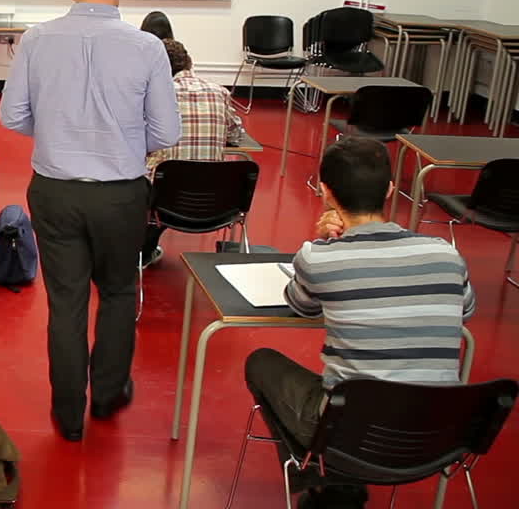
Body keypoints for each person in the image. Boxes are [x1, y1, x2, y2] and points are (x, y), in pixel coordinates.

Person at [0, 0, 180, 441]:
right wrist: (118, 141)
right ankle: (107, 394)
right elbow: (165, 132)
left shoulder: (36, 40)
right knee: (120, 292)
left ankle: (67, 411)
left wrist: (59, 132)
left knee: (66, 301)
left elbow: (12, 115)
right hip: (121, 193)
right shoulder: (147, 48)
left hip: (54, 190)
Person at [244, 137, 475, 509]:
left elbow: (300, 305)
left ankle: (322, 481)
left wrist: (322, 243)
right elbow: (464, 309)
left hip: (353, 434)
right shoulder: (445, 254)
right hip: (439, 434)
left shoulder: (318, 258)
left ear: (325, 193)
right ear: (389, 189)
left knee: (261, 363)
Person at [141, 39, 244, 264]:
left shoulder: (151, 96)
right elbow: (235, 136)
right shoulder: (220, 92)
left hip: (164, 201)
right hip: (218, 201)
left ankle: (141, 250)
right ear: (189, 63)